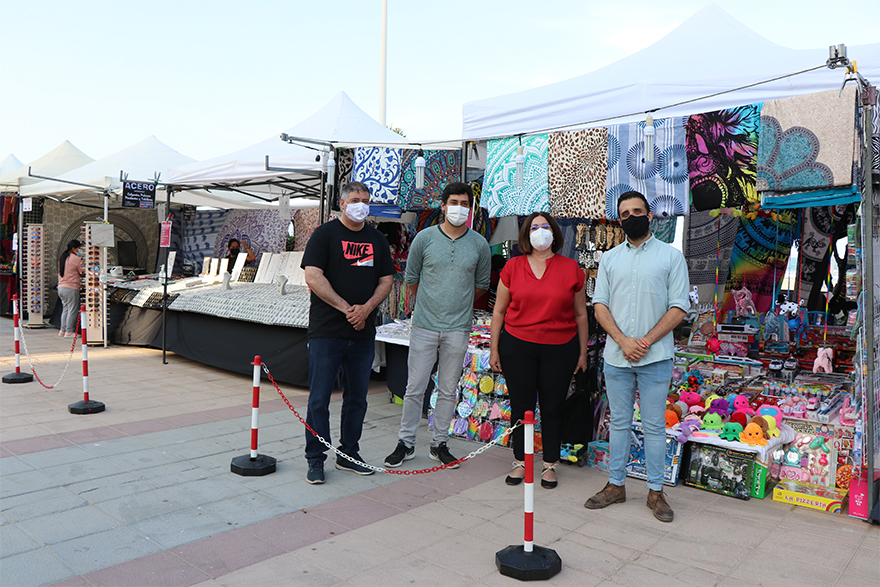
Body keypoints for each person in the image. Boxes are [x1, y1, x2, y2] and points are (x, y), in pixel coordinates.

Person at [584, 190, 689, 522]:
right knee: (619, 423)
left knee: (655, 425)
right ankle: (616, 485)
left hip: (655, 357)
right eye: (625, 214)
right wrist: (622, 341)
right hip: (617, 357)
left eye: (637, 211)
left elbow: (679, 307)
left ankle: (656, 492)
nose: (632, 217)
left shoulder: (671, 257)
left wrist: (643, 342)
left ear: (650, 215)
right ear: (619, 220)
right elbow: (599, 305)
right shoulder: (610, 259)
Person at [384, 182, 491, 469]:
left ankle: (439, 443)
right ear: (443, 206)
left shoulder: (479, 244)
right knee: (414, 387)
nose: (459, 208)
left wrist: (456, 302)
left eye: (465, 204)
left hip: (458, 327)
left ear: (471, 208)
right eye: (454, 202)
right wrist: (433, 302)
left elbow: (481, 285)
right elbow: (412, 278)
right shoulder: (424, 238)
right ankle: (406, 443)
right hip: (424, 325)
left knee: (448, 389)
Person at [301, 182, 394, 484]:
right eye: (355, 200)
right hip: (327, 331)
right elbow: (313, 275)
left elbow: (387, 279)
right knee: (319, 398)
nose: (361, 205)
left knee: (357, 399)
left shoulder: (377, 239)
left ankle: (349, 454)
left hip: (362, 332)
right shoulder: (324, 235)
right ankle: (316, 458)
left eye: (365, 200)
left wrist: (366, 309)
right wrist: (347, 309)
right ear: (342, 203)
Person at [488, 212, 588, 489]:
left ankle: (549, 465)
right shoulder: (513, 266)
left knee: (552, 408)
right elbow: (498, 311)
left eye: (545, 227)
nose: (540, 231)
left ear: (554, 233)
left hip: (560, 348)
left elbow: (581, 314)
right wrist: (494, 349)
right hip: (517, 346)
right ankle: (521, 461)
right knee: (522, 407)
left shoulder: (571, 268)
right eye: (534, 227)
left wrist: (582, 353)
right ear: (526, 234)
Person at [57, 239, 85, 337]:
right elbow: (82, 272)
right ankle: (69, 331)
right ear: (73, 248)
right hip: (71, 287)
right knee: (72, 310)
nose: (80, 250)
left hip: (61, 287)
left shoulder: (63, 258)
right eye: (79, 248)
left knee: (65, 309)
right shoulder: (76, 259)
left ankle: (62, 330)